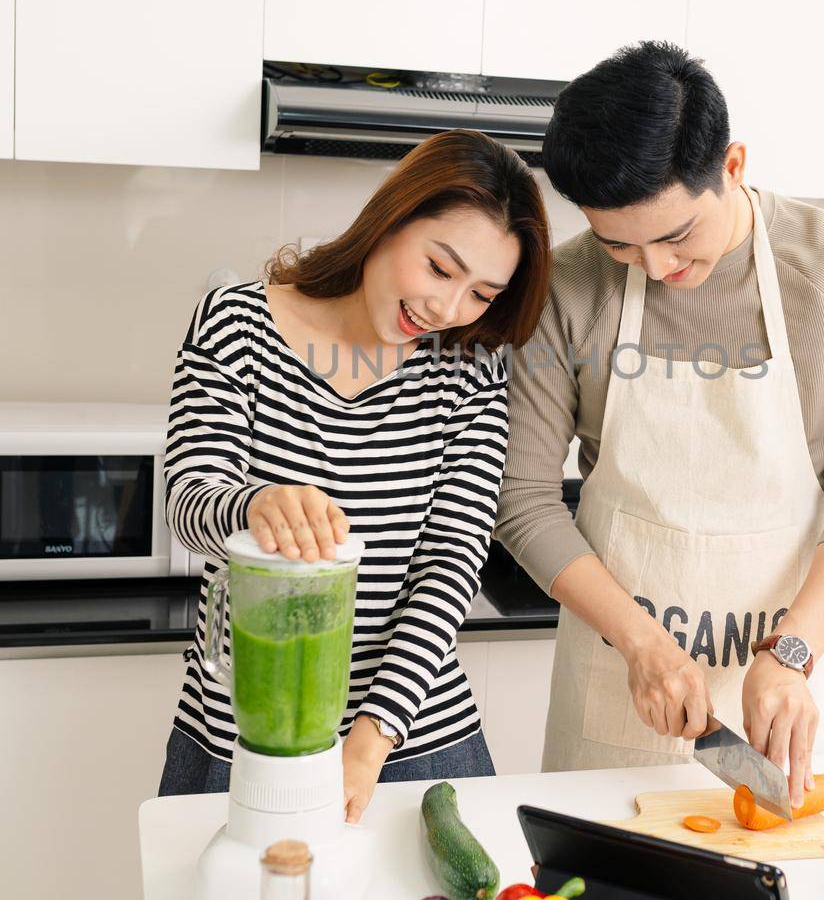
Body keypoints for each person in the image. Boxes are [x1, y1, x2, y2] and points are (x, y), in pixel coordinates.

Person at [495, 41, 824, 807]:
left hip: (779, 685)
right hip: (616, 677)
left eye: (677, 234)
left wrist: (791, 654)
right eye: (619, 242)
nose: (655, 268)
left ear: (733, 165)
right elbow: (521, 499)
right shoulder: (568, 284)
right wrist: (641, 642)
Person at [158, 129, 551, 821]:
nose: (446, 309)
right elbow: (189, 503)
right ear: (391, 217)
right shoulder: (236, 324)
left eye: (481, 294)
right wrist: (255, 504)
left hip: (415, 734)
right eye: (438, 267)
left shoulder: (467, 369)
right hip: (248, 734)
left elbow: (451, 562)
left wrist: (370, 739)